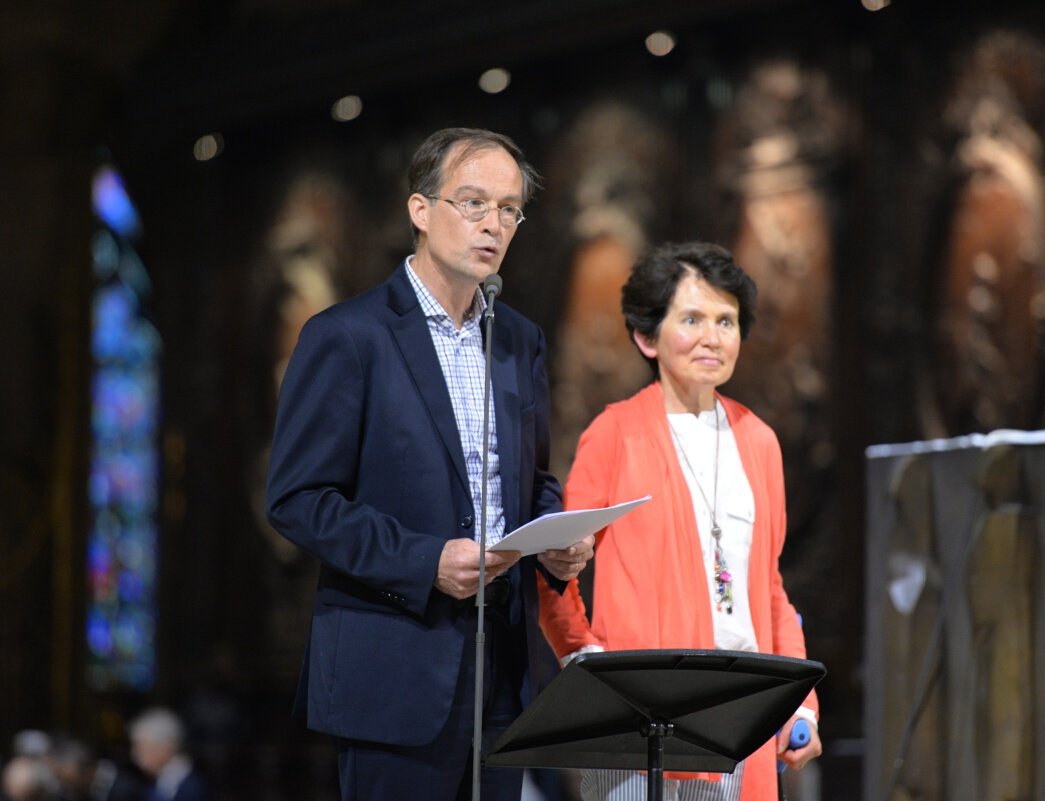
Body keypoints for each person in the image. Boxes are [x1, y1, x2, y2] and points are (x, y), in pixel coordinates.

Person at [265, 127, 594, 801]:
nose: (493, 224)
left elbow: (532, 481)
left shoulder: (518, 338)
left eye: (508, 209)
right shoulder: (347, 336)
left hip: (503, 662)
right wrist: (426, 561)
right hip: (395, 664)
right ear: (420, 209)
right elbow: (298, 498)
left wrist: (556, 532)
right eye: (473, 203)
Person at [538, 241, 821, 801]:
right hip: (644, 724)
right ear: (648, 336)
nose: (713, 337)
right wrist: (585, 659)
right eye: (692, 319)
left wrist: (800, 700)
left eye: (727, 321)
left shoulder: (759, 441)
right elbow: (555, 569)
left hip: (746, 717)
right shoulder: (613, 434)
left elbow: (768, 591)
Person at [127, 709, 208, 801]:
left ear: (166, 748)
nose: (135, 755)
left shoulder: (190, 788)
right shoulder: (160, 783)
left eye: (142, 748)